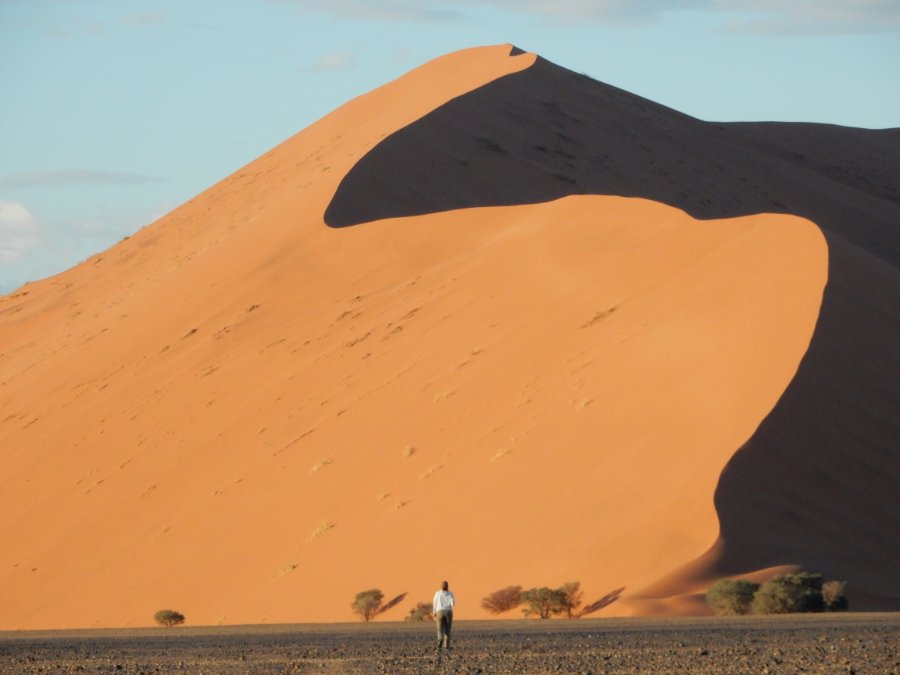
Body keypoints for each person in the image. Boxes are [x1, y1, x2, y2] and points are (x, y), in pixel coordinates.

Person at [432, 580, 455, 649]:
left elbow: (434, 602)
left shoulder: (437, 593)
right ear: (447, 586)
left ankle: (440, 640)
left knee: (439, 628)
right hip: (448, 612)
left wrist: (434, 611)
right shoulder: (450, 594)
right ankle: (446, 645)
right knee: (447, 629)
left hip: (439, 612)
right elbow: (453, 604)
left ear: (441, 586)